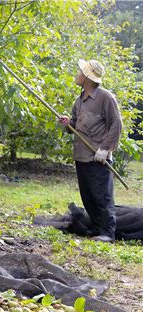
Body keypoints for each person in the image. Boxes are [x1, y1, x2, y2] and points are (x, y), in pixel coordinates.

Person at [57, 59, 122, 242]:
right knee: (88, 197)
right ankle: (96, 229)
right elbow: (76, 126)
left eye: (80, 72)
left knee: (102, 197)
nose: (77, 75)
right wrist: (68, 123)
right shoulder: (79, 101)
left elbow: (116, 125)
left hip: (98, 158)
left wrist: (105, 149)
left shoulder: (105, 98)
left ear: (87, 78)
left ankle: (108, 234)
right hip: (82, 156)